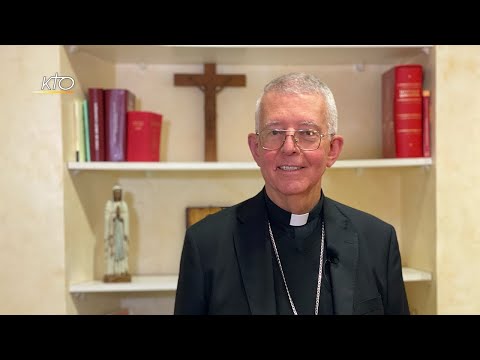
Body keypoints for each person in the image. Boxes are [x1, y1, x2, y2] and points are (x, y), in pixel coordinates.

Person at [174, 72, 409, 315]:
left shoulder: (378, 241)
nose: (289, 148)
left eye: (308, 133)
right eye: (274, 132)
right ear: (255, 149)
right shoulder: (205, 244)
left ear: (332, 150)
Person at [103, 185, 131, 282]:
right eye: (116, 193)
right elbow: (107, 218)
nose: (117, 195)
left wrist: (121, 216)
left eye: (119, 193)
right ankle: (112, 271)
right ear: (113, 194)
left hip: (121, 233)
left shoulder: (124, 205)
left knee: (121, 251)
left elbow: (126, 218)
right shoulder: (110, 205)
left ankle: (122, 270)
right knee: (113, 252)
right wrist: (114, 216)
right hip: (113, 233)